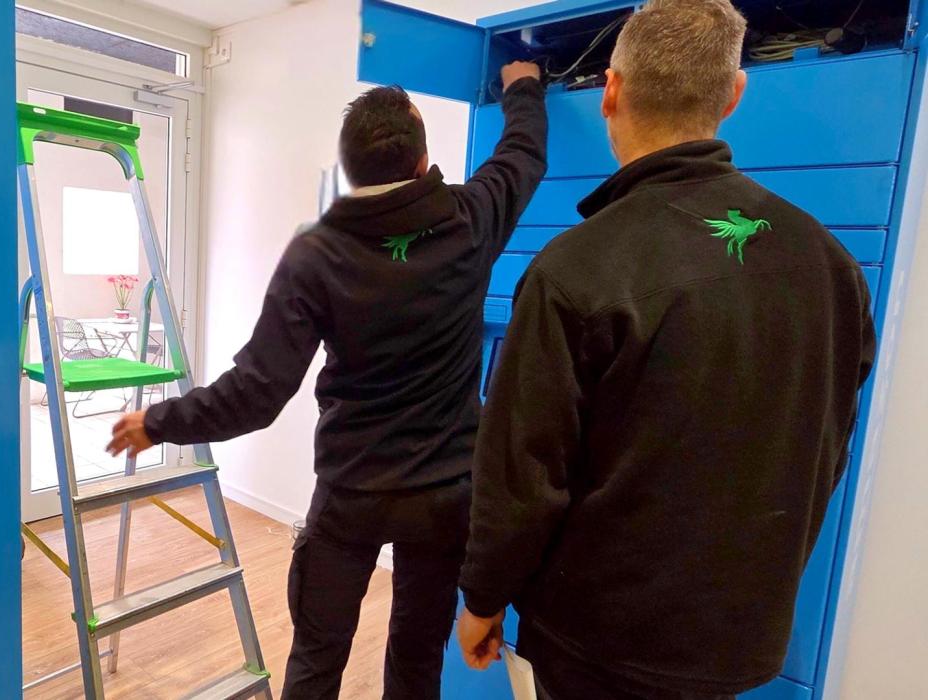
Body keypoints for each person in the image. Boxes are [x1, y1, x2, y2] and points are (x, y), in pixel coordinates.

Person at [455, 2, 877, 699]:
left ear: (611, 91)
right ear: (735, 96)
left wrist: (481, 597)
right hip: (738, 638)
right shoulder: (830, 265)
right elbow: (825, 442)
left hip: (597, 646)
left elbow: (522, 476)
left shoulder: (576, 268)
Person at [106, 61, 548, 699]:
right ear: (423, 163)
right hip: (445, 499)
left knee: (316, 662)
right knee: (417, 658)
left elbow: (256, 394)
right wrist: (524, 86)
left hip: (352, 494)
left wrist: (158, 421)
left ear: (350, 171)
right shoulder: (469, 221)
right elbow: (522, 155)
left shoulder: (317, 254)